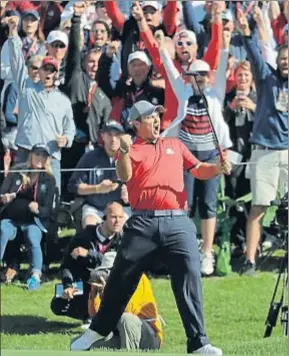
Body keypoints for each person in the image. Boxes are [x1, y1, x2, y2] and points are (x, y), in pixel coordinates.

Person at [71, 100, 232, 354]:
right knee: (121, 279)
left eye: (157, 115)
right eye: (149, 117)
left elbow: (199, 169)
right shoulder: (131, 149)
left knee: (189, 278)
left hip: (178, 221)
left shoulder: (175, 145)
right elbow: (124, 176)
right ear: (136, 124)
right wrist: (123, 151)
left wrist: (217, 169)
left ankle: (199, 343)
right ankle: (97, 331)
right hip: (143, 222)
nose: (156, 120)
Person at [237, 12, 288, 276]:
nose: (284, 63)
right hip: (264, 152)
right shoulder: (266, 78)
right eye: (281, 59)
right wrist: (247, 32)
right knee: (258, 207)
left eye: (288, 59)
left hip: (288, 151)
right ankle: (250, 261)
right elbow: (255, 53)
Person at [6, 15, 75, 191]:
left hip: (51, 157)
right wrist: (13, 33)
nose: (48, 74)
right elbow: (17, 64)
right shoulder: (26, 87)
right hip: (25, 152)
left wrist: (66, 139)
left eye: (52, 71)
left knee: (53, 200)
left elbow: (70, 129)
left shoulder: (64, 101)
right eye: (45, 69)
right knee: (12, 197)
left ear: (57, 74)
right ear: (40, 72)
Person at [50, 202, 125, 322]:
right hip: (84, 282)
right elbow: (67, 264)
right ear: (105, 217)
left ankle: (100, 316)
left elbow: (116, 263)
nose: (118, 221)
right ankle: (88, 315)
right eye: (114, 217)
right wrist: (67, 286)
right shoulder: (83, 237)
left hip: (109, 284)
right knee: (58, 304)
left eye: (121, 217)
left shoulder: (123, 240)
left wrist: (89, 254)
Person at [0, 144, 56, 289]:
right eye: (37, 154)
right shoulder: (17, 171)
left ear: (47, 159)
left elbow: (48, 210)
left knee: (33, 237)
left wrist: (38, 209)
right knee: (3, 230)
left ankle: (35, 276)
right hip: (11, 219)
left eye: (43, 155)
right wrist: (4, 198)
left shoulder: (49, 179)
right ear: (30, 155)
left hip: (33, 221)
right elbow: (2, 194)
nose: (40, 158)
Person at [88, 252, 162, 351]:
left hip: (148, 336)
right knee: (81, 344)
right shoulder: (107, 285)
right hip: (121, 333)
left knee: (126, 319)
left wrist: (109, 294)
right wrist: (94, 294)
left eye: (110, 271)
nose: (108, 275)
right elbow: (94, 316)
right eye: (105, 271)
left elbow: (126, 311)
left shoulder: (138, 279)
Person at [68, 121, 129, 228]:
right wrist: (97, 188)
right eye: (110, 134)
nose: (113, 139)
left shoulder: (130, 158)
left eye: (117, 135)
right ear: (102, 135)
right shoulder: (90, 157)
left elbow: (143, 189)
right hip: (94, 208)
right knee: (89, 227)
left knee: (125, 230)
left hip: (120, 208)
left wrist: (130, 195)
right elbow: (73, 186)